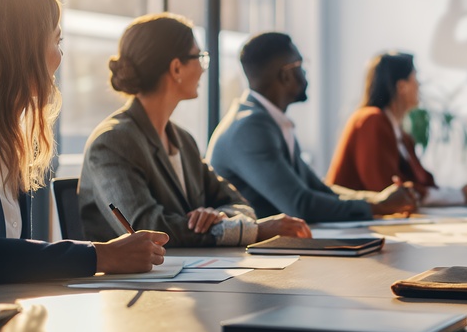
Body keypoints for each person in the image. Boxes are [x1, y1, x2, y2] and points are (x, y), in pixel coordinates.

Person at [0, 0, 167, 285]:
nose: (60, 56)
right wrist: (101, 256)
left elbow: (12, 257)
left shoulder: (6, 137)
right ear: (21, 49)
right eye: (56, 41)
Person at [79, 14, 311, 247]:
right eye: (199, 57)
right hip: (137, 272)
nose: (202, 68)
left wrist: (218, 216)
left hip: (189, 268)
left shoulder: (183, 140)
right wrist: (252, 231)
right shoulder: (112, 141)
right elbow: (147, 229)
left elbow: (241, 205)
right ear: (176, 68)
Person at [208, 33, 417, 223]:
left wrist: (380, 200)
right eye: (301, 65)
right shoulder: (250, 128)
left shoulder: (270, 121)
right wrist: (380, 205)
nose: (305, 73)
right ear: (286, 75)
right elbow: (300, 205)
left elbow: (319, 189)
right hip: (258, 249)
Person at [327, 52, 467, 207]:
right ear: (402, 86)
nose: (419, 85)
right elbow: (388, 193)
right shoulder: (371, 120)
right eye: (415, 78)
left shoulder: (399, 133)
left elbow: (422, 185)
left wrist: (463, 193)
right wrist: (462, 195)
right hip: (349, 226)